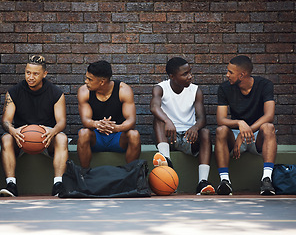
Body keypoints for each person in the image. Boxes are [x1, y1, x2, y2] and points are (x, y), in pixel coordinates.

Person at [0, 55, 68, 197]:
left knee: (62, 138)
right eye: (27, 72)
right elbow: (6, 120)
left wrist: (53, 131)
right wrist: (13, 130)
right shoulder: (14, 92)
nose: (30, 77)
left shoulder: (56, 93)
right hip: (21, 137)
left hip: (46, 137)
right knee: (6, 138)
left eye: (35, 74)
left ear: (44, 74)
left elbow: (61, 122)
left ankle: (58, 185)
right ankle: (11, 185)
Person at [150, 57, 215, 195]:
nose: (190, 76)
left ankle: (202, 182)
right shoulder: (160, 88)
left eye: (190, 72)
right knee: (158, 119)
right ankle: (166, 160)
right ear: (172, 76)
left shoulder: (195, 91)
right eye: (185, 74)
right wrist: (168, 120)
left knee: (205, 133)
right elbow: (154, 107)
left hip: (188, 137)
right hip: (168, 136)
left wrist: (195, 128)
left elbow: (202, 118)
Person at [215, 55, 277, 195]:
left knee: (268, 127)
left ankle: (266, 180)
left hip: (257, 136)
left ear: (242, 75)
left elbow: (269, 116)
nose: (227, 75)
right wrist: (239, 122)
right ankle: (225, 181)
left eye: (231, 72)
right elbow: (221, 119)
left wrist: (244, 134)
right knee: (221, 130)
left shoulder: (265, 85)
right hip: (236, 135)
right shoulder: (224, 88)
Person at [77, 60, 140, 168]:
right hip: (97, 137)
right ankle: (85, 174)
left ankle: (131, 175)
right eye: (86, 78)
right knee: (83, 133)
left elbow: (131, 120)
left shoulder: (123, 90)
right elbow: (85, 121)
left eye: (90, 79)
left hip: (118, 137)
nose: (86, 81)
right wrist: (97, 124)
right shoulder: (84, 91)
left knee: (134, 135)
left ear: (102, 81)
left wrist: (116, 128)